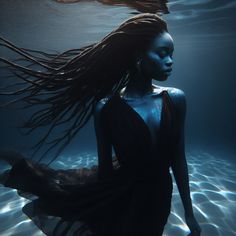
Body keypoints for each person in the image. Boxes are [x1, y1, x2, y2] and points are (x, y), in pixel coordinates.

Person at [0, 13, 201, 236]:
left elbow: (178, 158)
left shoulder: (176, 99)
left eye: (171, 54)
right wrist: (100, 211)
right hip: (123, 195)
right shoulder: (105, 108)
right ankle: (21, 165)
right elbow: (105, 172)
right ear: (138, 55)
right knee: (57, 188)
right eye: (162, 53)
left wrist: (189, 214)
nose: (170, 61)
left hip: (160, 195)